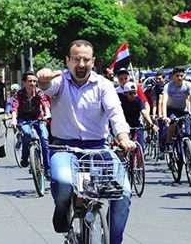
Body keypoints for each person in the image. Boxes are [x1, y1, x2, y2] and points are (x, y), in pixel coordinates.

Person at [37, 39, 136, 244]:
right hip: (64, 149)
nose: (81, 64)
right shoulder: (60, 81)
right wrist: (43, 79)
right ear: (67, 61)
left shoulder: (104, 85)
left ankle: (114, 240)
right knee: (63, 182)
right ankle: (62, 209)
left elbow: (115, 113)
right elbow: (46, 86)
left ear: (93, 62)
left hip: (98, 150)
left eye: (85, 60)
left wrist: (123, 137)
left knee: (124, 193)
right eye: (76, 59)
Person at [11, 71, 51, 175]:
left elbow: (45, 103)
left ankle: (47, 168)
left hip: (38, 119)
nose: (32, 83)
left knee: (45, 139)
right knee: (27, 134)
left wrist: (47, 113)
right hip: (23, 120)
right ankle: (25, 158)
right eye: (30, 81)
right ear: (24, 82)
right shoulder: (18, 94)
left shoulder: (39, 92)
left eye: (34, 81)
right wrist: (14, 120)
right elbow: (14, 108)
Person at [161, 66, 191, 150]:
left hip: (183, 110)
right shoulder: (168, 86)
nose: (179, 78)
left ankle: (187, 150)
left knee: (187, 132)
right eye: (177, 76)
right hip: (172, 110)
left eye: (181, 75)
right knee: (172, 124)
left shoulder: (188, 85)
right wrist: (165, 116)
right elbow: (164, 101)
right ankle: (168, 142)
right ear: (173, 76)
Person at [117, 82, 159, 150]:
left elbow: (144, 112)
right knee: (123, 146)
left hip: (136, 124)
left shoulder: (138, 100)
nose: (133, 95)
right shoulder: (120, 100)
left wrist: (151, 124)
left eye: (135, 93)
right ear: (125, 93)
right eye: (130, 93)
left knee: (140, 146)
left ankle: (140, 158)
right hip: (124, 124)